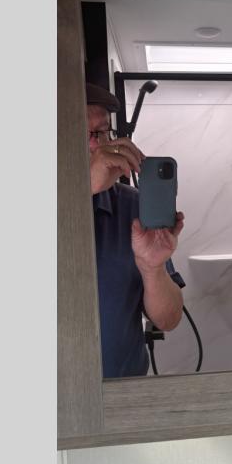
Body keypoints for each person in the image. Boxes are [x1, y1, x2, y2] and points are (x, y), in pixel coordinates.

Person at [86, 82, 185, 378]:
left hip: (125, 387)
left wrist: (152, 269)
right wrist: (81, 188)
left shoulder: (134, 207)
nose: (96, 145)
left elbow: (169, 320)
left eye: (101, 132)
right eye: (82, 133)